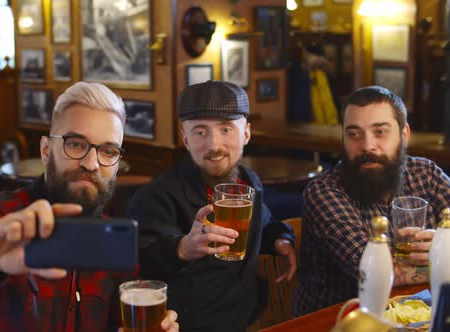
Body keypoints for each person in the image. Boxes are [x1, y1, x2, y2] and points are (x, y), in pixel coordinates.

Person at [0, 82, 179, 332]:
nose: (91, 163)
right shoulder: (1, 217)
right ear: (45, 150)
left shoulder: (112, 239)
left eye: (108, 151)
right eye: (75, 144)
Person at [126, 81, 297, 332]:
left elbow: (264, 222)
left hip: (242, 321)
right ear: (185, 138)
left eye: (226, 129)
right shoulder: (156, 196)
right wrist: (183, 247)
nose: (214, 145)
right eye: (200, 132)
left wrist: (281, 240)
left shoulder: (249, 182)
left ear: (246, 133)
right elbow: (137, 261)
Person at [292, 86, 450, 316]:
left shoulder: (425, 173)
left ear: (404, 134)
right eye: (354, 134)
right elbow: (375, 273)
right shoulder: (324, 192)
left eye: (380, 132)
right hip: (337, 321)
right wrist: (443, 257)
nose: (367, 146)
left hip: (416, 314)